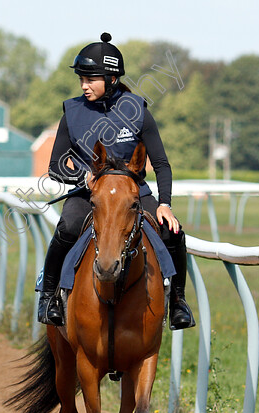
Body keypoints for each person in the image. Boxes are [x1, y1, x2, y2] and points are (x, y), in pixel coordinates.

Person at [37, 32, 194, 330]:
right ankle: (48, 298)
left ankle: (178, 303)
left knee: (172, 232)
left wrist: (165, 204)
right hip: (89, 194)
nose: (84, 85)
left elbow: (161, 163)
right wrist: (81, 176)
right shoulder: (71, 111)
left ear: (110, 78)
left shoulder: (138, 110)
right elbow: (56, 165)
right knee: (68, 226)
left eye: (90, 79)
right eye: (81, 79)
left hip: (133, 193)